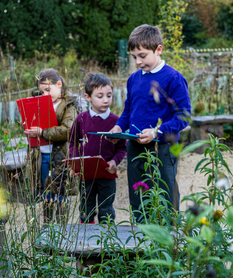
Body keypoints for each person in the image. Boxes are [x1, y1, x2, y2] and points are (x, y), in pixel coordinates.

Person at [108, 24, 191, 223]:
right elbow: (128, 110)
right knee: (138, 196)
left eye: (142, 56)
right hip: (135, 145)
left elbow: (184, 116)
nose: (137, 61)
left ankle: (170, 239)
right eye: (134, 57)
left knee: (165, 194)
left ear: (158, 49)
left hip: (162, 147)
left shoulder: (173, 78)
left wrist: (156, 132)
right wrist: (119, 127)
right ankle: (141, 239)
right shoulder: (134, 79)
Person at [69, 73, 127, 224]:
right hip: (86, 174)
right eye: (100, 96)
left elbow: (122, 149)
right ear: (88, 97)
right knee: (85, 209)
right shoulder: (81, 119)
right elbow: (73, 143)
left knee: (106, 209)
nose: (106, 100)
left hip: (107, 175)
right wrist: (75, 163)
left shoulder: (117, 122)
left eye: (109, 95)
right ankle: (86, 242)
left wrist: (114, 162)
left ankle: (107, 241)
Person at [25, 68, 78, 223]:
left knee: (61, 195)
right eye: (42, 92)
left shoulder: (68, 106)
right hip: (43, 156)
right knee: (47, 194)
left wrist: (43, 132)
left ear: (59, 84)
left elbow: (68, 130)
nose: (45, 95)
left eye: (48, 90)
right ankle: (47, 229)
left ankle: (62, 231)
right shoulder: (39, 103)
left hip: (61, 158)